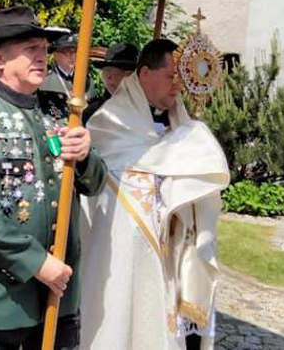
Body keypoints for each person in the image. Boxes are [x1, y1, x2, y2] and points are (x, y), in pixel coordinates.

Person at [0, 6, 106, 349]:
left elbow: (95, 184)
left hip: (56, 293)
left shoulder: (59, 111)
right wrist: (35, 262)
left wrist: (84, 156)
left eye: (44, 49)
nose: (41, 57)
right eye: (30, 49)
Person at [80, 39, 229, 350]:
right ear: (144, 73)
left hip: (173, 255)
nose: (178, 86)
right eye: (171, 76)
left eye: (183, 77)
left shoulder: (184, 126)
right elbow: (100, 191)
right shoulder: (110, 123)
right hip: (123, 252)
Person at [82, 42, 138, 124]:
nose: (109, 77)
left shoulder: (149, 110)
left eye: (118, 71)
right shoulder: (92, 112)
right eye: (106, 70)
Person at [40, 32, 94, 100]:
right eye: (66, 52)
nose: (72, 56)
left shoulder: (87, 80)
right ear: (56, 55)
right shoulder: (45, 82)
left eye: (74, 51)